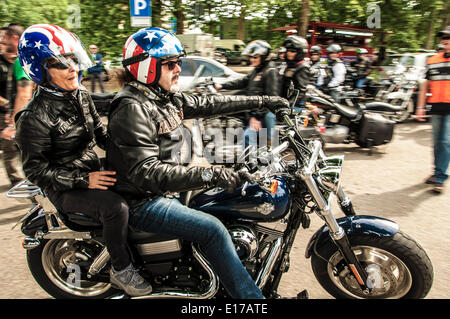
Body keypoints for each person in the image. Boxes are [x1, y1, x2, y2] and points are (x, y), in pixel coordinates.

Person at [106, 27, 290, 299]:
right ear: (147, 67)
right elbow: (146, 172)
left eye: (178, 62)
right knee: (212, 229)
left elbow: (210, 103)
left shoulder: (162, 97)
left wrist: (265, 101)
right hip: (145, 200)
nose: (178, 68)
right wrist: (212, 174)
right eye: (170, 64)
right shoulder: (132, 107)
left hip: (169, 189)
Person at [14, 24, 152, 297]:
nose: (72, 69)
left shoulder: (80, 95)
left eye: (74, 60)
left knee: (144, 179)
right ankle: (121, 269)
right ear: (40, 69)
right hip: (64, 186)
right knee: (116, 208)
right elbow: (35, 170)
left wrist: (138, 148)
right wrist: (83, 179)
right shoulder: (34, 117)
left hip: (89, 170)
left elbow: (102, 135)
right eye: (60, 64)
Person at [215, 40, 281, 148]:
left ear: (264, 56)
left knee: (247, 136)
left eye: (255, 57)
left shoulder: (270, 71)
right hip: (253, 110)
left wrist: (256, 117)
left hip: (262, 113)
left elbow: (271, 99)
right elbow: (242, 81)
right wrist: (222, 86)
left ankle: (254, 161)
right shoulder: (257, 70)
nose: (251, 59)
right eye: (251, 57)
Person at [416, 26, 450, 194]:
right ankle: (437, 172)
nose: (446, 39)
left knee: (445, 141)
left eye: (449, 37)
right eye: (443, 37)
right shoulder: (433, 60)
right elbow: (425, 86)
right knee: (437, 143)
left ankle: (440, 177)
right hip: (436, 106)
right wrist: (420, 107)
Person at [0, 23, 32, 187]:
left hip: (30, 119)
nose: (2, 41)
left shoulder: (22, 60)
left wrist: (13, 124)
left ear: (15, 38)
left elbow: (24, 93)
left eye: (5, 37)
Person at [280, 35, 311, 111]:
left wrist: (288, 105)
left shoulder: (302, 67)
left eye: (293, 51)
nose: (289, 53)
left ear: (300, 52)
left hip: (295, 105)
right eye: (288, 50)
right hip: (284, 101)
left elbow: (300, 91)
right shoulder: (290, 65)